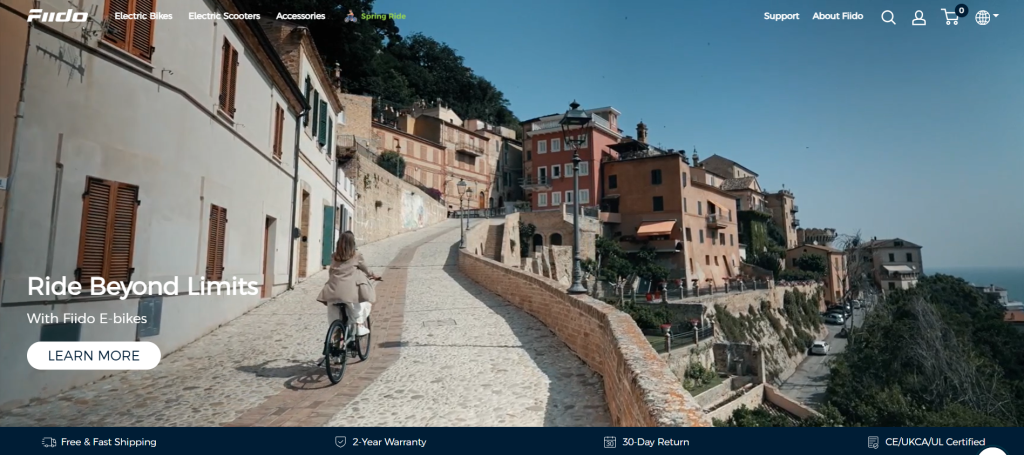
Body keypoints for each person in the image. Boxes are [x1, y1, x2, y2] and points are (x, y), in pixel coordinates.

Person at [317, 231, 377, 336]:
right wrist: (374, 275)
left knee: (334, 315)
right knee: (363, 304)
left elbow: (331, 272)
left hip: (332, 292)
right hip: (349, 293)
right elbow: (366, 269)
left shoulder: (334, 256)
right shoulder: (357, 255)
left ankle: (336, 335)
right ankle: (358, 326)